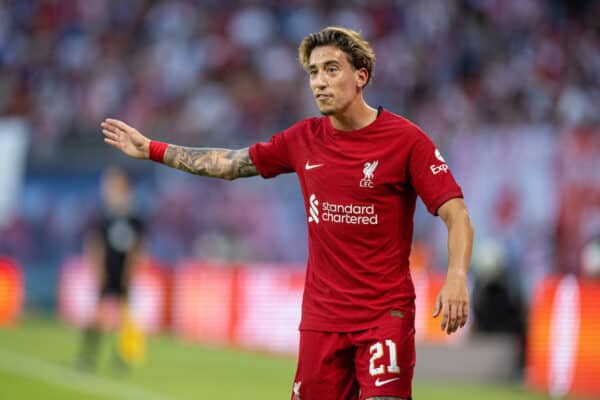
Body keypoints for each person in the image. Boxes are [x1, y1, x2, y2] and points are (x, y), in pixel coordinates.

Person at [101, 26, 473, 400]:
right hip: (321, 321)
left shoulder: (406, 141)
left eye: (331, 69)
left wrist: (456, 276)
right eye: (313, 72)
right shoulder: (303, 139)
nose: (319, 82)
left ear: (361, 76)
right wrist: (152, 148)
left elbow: (455, 213)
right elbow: (230, 164)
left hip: (384, 317)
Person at [77, 166, 145, 371]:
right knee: (98, 314)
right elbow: (94, 243)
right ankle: (88, 357)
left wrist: (132, 270)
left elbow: (137, 247)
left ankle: (122, 357)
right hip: (106, 270)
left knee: (124, 317)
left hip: (123, 273)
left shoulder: (133, 216)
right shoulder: (103, 215)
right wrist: (97, 268)